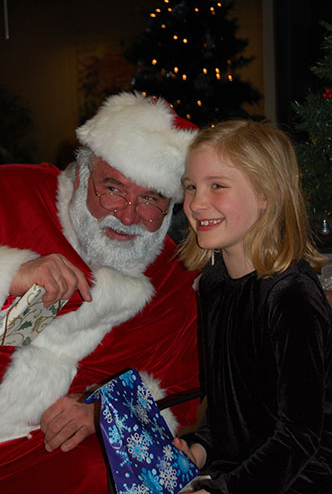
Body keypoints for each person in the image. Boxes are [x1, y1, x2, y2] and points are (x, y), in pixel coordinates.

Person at [0, 91, 200, 493]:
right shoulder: (13, 194)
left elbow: (180, 394)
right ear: (82, 173)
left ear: (170, 207)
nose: (127, 215)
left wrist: (101, 413)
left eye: (149, 199)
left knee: (98, 472)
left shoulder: (174, 278)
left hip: (41, 448)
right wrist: (11, 273)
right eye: (113, 188)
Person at [175, 119, 332, 493]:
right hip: (239, 471)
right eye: (191, 187)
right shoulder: (213, 285)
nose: (196, 203)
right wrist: (199, 448)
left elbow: (300, 438)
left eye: (217, 186)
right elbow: (227, 407)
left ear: (266, 195)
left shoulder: (291, 296)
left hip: (301, 476)